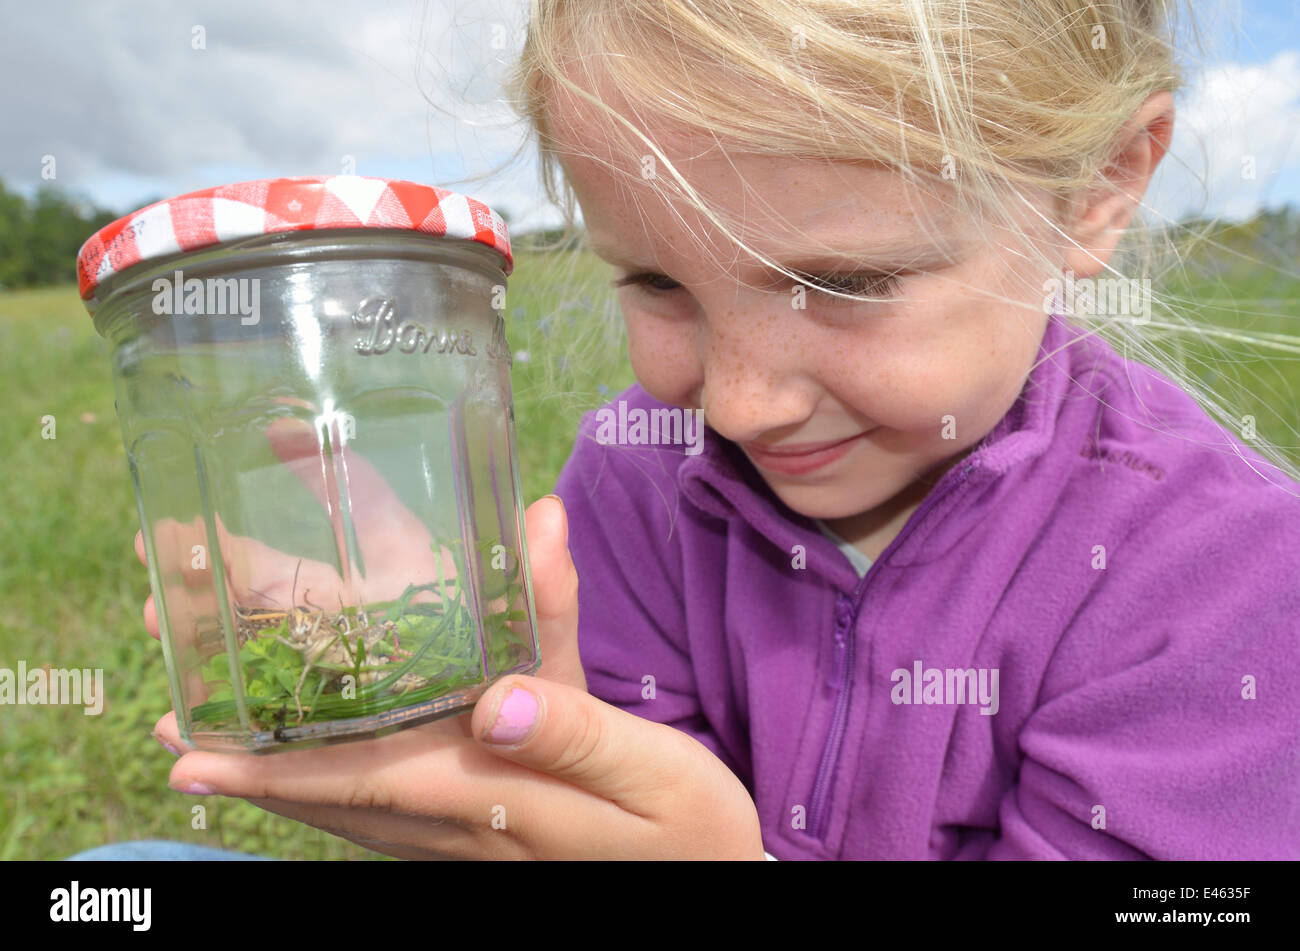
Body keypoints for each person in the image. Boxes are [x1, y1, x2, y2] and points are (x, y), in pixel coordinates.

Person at [88, 0, 1300, 860]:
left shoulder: (1223, 582)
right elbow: (604, 777)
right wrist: (507, 744)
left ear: (1099, 187)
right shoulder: (637, 478)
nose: (735, 406)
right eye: (658, 286)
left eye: (848, 283)